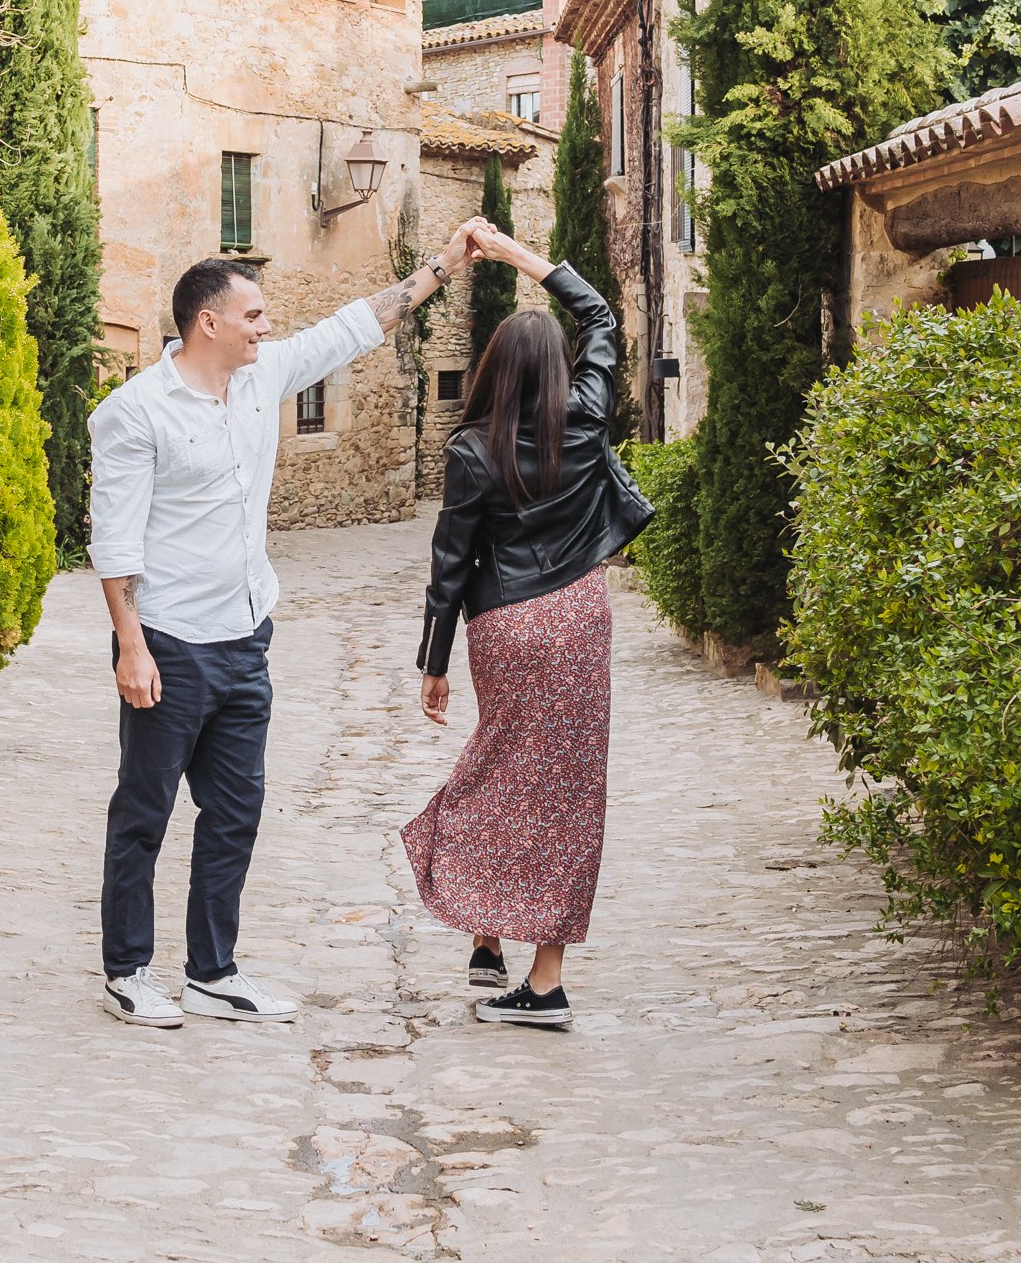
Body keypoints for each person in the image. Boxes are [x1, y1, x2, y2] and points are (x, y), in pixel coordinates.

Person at [89, 222, 484, 1029]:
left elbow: (352, 326)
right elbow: (116, 541)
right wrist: (130, 645)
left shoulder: (263, 378)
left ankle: (212, 970)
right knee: (146, 810)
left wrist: (441, 268)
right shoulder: (135, 413)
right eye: (256, 316)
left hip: (245, 637)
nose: (268, 328)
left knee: (235, 812)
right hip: (167, 642)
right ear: (210, 322)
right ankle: (129, 968)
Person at [401, 222, 653, 1030]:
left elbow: (450, 563)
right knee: (568, 787)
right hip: (580, 613)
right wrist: (519, 256)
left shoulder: (472, 449)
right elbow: (603, 320)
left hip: (505, 625)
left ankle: (484, 932)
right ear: (556, 369)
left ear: (493, 369)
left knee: (497, 763)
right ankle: (543, 978)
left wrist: (434, 663)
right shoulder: (583, 418)